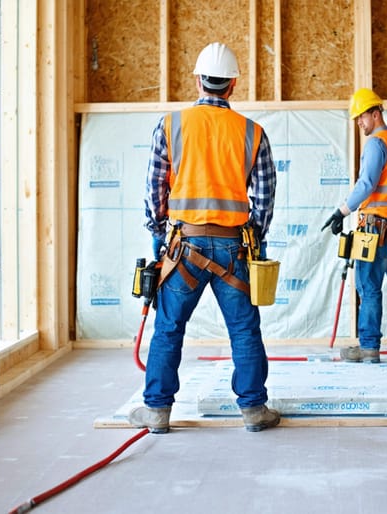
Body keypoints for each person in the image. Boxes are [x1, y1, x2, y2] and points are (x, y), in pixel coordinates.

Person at [129, 42, 280, 433]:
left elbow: (154, 189)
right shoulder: (252, 132)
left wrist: (159, 235)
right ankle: (253, 411)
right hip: (234, 248)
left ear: (198, 80)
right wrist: (254, 239)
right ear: (232, 86)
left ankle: (157, 412)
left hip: (183, 247)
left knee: (168, 328)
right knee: (244, 330)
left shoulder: (171, 125)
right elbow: (264, 196)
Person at [321, 88, 387, 364]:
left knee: (368, 287)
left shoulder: (377, 144)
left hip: (377, 230)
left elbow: (366, 184)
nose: (359, 123)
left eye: (362, 117)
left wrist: (341, 211)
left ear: (375, 113)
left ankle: (369, 347)